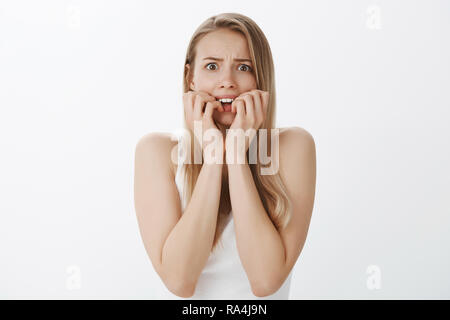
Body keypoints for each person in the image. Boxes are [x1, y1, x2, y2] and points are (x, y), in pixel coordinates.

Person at [134, 12, 316, 299]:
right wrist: (213, 154)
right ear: (190, 78)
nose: (227, 81)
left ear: (261, 78)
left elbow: (265, 282)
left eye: (243, 67)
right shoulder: (156, 152)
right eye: (211, 66)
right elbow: (180, 281)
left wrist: (236, 155)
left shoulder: (293, 146)